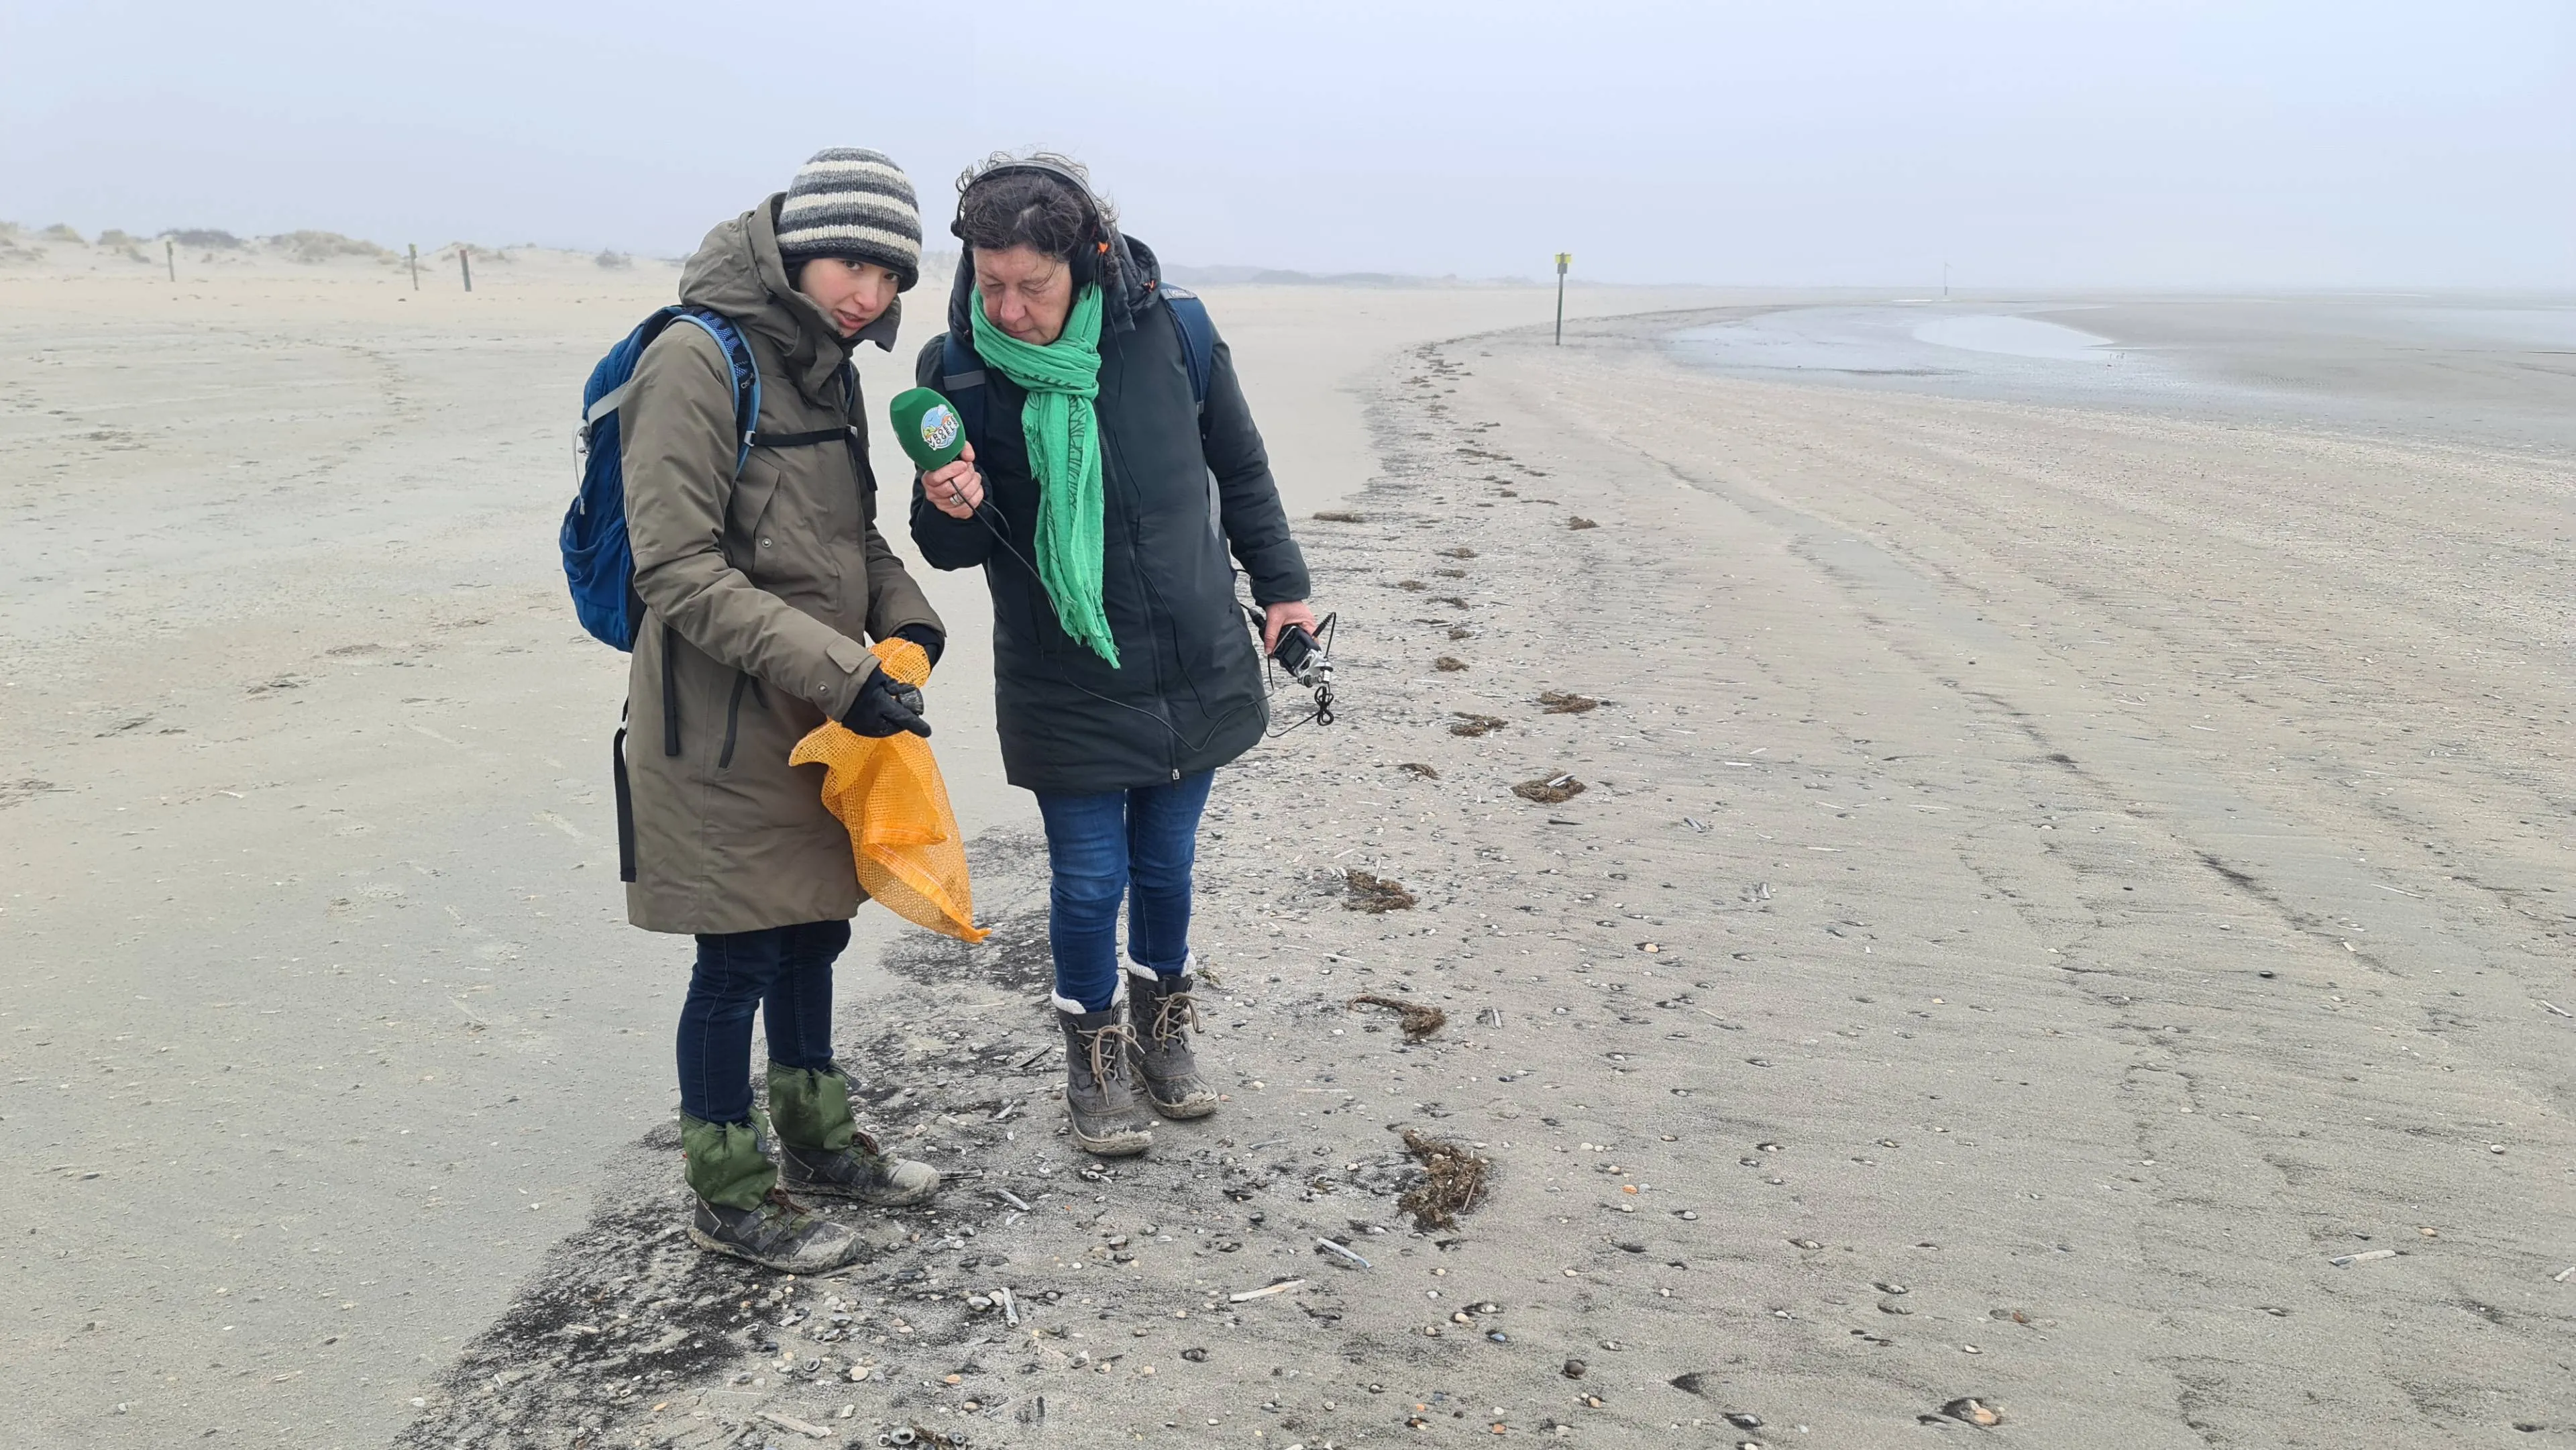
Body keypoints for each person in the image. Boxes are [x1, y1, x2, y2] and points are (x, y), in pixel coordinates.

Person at [908, 153, 1316, 1157]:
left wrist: (1284, 590)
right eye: (989, 283)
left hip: (1193, 653)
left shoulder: (1176, 331)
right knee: (1091, 879)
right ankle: (1092, 1058)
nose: (1007, 308)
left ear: (1085, 261)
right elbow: (956, 548)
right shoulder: (956, 369)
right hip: (1064, 674)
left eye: (1031, 286)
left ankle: (1164, 1035)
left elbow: (1242, 468)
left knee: (1167, 867)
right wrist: (946, 500)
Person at [620, 148, 949, 1272]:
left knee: (816, 926)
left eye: (892, 275)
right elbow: (675, 568)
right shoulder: (696, 357)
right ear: (797, 249)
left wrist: (909, 618)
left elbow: (851, 536)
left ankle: (817, 1146)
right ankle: (726, 1189)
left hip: (821, 710)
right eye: (853, 263)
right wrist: (843, 669)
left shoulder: (828, 368)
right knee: (738, 961)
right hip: (714, 720)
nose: (871, 294)